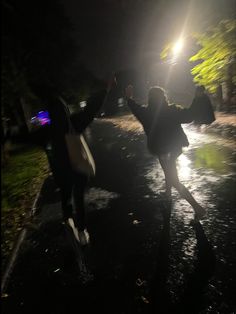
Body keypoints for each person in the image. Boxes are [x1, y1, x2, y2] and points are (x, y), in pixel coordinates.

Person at [31, 78, 114, 245]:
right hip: (77, 166)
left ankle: (68, 219)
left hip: (60, 170)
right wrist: (105, 90)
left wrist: (10, 134)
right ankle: (82, 231)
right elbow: (91, 110)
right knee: (78, 198)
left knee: (65, 196)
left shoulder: (46, 131)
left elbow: (25, 136)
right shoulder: (73, 123)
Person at [125, 85, 206, 220]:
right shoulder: (171, 110)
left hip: (162, 151)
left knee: (173, 178)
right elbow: (189, 115)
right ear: (163, 98)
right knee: (168, 170)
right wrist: (197, 98)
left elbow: (135, 108)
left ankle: (198, 208)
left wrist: (128, 98)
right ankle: (168, 195)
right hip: (174, 148)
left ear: (150, 99)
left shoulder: (146, 114)